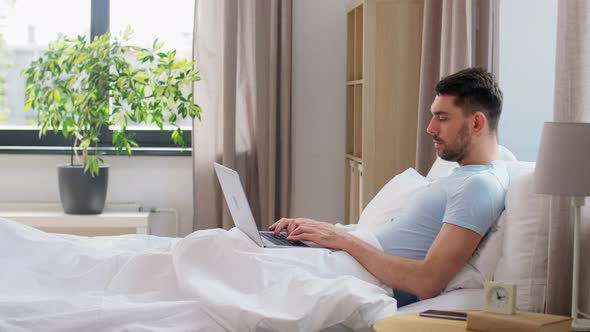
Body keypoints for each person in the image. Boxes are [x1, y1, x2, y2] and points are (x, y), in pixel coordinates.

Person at [269, 67, 509, 306]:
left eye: (442, 117)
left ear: (477, 123)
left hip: (364, 276)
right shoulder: (461, 174)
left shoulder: (479, 186)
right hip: (349, 261)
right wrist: (322, 233)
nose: (430, 128)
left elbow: (427, 281)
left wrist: (343, 239)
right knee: (244, 246)